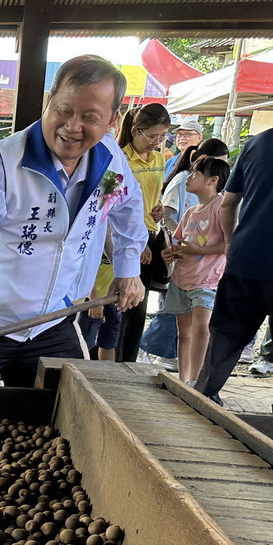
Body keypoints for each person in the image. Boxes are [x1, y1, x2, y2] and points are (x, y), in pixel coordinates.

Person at [0, 55, 147, 386]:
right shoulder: (3, 162)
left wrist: (128, 269)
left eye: (90, 117)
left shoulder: (110, 162)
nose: (72, 127)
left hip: (51, 320)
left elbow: (126, 204)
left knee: (63, 417)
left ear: (113, 119)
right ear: (49, 101)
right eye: (63, 110)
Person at [196, 73, 273, 410]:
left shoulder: (256, 142)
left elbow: (228, 202)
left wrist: (233, 244)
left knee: (225, 337)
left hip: (245, 259)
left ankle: (202, 399)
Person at [161, 156, 230, 386]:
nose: (188, 178)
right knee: (185, 333)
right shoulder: (191, 211)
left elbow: (229, 245)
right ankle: (184, 381)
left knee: (201, 329)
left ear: (213, 180)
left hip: (207, 280)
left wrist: (198, 249)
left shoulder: (221, 206)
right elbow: (179, 242)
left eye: (194, 174)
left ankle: (196, 382)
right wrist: (170, 252)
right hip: (182, 277)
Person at [114, 102, 172, 363]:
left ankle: (128, 361)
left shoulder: (160, 159)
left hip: (150, 233)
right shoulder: (120, 158)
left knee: (138, 303)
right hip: (123, 238)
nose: (156, 142)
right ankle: (111, 359)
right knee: (119, 305)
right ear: (136, 129)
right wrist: (138, 243)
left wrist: (158, 208)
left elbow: (152, 195)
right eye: (152, 136)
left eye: (162, 137)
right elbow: (112, 205)